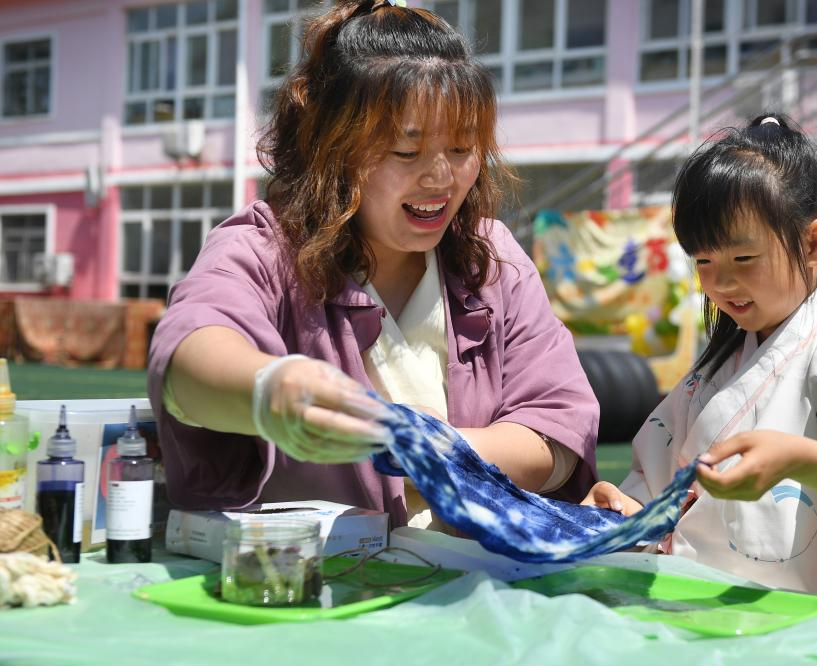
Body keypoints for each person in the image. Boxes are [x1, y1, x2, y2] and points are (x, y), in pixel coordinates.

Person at [147, 0, 598, 530]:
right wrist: (271, 390)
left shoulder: (491, 256)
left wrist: (442, 450)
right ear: (331, 147)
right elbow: (189, 356)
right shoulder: (266, 248)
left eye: (461, 148)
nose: (440, 177)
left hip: (468, 581)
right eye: (405, 153)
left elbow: (558, 427)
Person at [582, 114, 817, 607]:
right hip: (698, 613)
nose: (719, 283)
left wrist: (798, 459)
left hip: (798, 625)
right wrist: (623, 506)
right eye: (703, 261)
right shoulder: (711, 371)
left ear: (813, 243)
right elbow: (659, 490)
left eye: (742, 259)